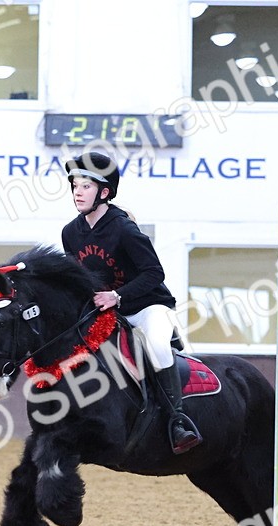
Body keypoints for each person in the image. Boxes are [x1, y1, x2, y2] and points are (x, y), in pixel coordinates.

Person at [61, 152, 201, 455]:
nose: (77, 192)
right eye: (75, 186)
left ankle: (178, 421)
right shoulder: (70, 233)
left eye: (86, 186)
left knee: (158, 347)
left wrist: (117, 296)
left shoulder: (124, 229)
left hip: (147, 306)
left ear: (105, 192)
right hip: (104, 311)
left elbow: (154, 273)